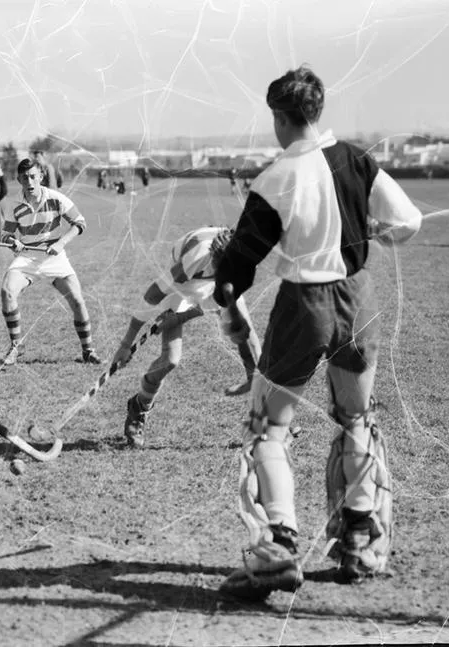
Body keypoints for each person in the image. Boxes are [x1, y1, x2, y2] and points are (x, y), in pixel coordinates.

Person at [214, 66, 422, 601]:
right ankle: (357, 540)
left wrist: (230, 308)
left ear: (281, 117)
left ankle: (278, 548)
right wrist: (372, 231)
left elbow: (239, 263)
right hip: (359, 297)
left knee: (268, 429)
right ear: (318, 111)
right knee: (356, 418)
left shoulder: (275, 177)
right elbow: (409, 222)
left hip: (303, 305)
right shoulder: (357, 157)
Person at [111, 226, 262, 448]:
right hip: (185, 286)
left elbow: (216, 303)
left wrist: (181, 318)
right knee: (170, 360)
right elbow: (152, 296)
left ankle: (268, 419)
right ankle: (139, 406)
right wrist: (126, 344)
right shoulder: (194, 260)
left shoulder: (242, 263)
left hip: (213, 282)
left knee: (252, 343)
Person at [0, 158, 101, 366]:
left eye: (33, 176)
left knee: (78, 300)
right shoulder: (14, 204)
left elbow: (80, 223)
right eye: (25, 177)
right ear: (19, 179)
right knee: (7, 291)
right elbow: (6, 235)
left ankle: (88, 350)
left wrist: (61, 243)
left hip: (55, 257)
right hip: (27, 257)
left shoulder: (56, 198)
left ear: (41, 177)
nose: (29, 181)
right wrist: (13, 242)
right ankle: (16, 346)